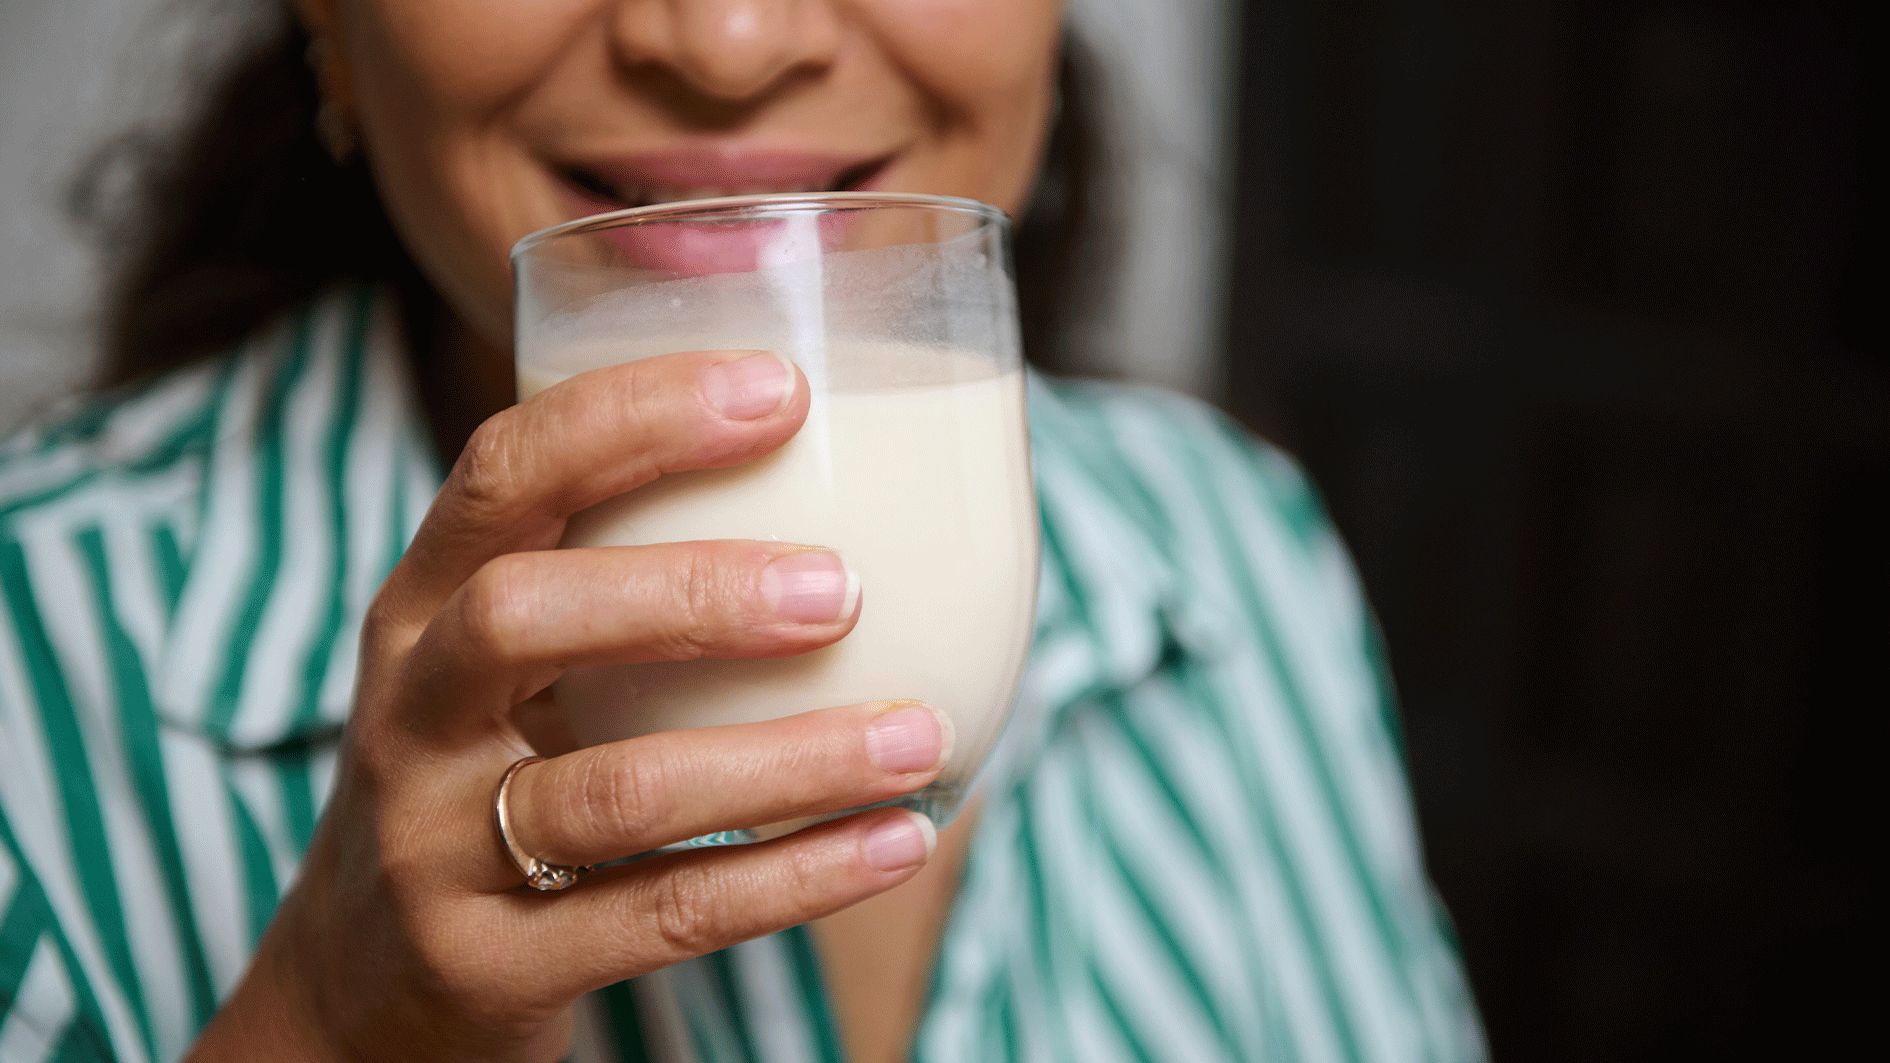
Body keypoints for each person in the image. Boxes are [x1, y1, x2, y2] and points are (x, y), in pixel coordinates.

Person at [0, 1, 1485, 1060]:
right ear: (328, 18)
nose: (727, 41)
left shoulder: (1233, 545)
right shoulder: (29, 663)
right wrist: (327, 1029)